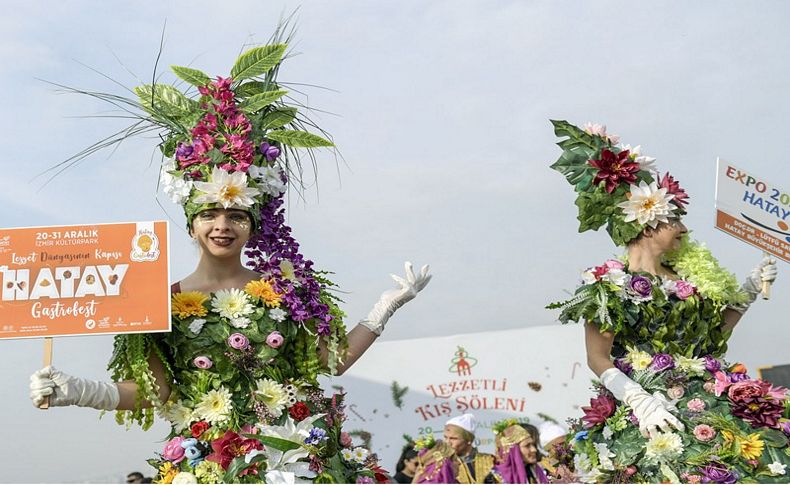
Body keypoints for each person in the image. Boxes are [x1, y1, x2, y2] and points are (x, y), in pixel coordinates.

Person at [28, 39, 430, 484]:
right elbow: (155, 390)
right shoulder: (157, 302)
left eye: (236, 214)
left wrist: (384, 309)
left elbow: (328, 362)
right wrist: (78, 391)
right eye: (209, 214)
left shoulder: (284, 286)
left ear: (254, 226)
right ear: (191, 225)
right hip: (211, 465)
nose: (223, 225)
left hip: (298, 456)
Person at [548, 120, 788, 483]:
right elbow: (598, 356)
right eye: (674, 219)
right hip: (648, 409)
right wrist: (638, 400)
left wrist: (749, 291)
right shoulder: (608, 284)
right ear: (647, 222)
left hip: (709, 400)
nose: (685, 229)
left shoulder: (688, 282)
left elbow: (711, 341)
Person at [441, 413, 495, 484]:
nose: (448, 442)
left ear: (469, 440)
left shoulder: (489, 460)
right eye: (445, 437)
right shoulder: (442, 464)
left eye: (453, 438)